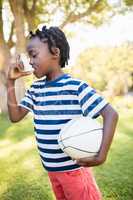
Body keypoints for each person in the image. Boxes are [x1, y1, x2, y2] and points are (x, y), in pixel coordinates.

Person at [7, 25, 118, 200]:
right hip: (52, 171)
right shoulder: (35, 89)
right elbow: (15, 117)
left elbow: (111, 114)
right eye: (29, 57)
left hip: (75, 172)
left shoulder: (75, 87)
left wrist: (101, 155)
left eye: (34, 55)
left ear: (55, 52)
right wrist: (10, 83)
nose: (30, 61)